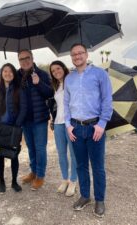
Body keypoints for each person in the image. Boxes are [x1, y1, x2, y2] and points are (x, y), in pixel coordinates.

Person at [64, 43, 113, 217]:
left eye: (80, 53)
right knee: (81, 165)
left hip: (95, 128)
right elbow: (66, 103)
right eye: (73, 54)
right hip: (76, 128)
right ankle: (85, 196)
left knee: (98, 166)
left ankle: (100, 199)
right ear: (71, 57)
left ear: (86, 54)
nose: (77, 56)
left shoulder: (100, 74)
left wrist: (102, 124)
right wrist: (68, 125)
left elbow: (107, 101)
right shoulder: (68, 78)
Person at [17, 49, 54, 190]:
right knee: (31, 148)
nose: (25, 60)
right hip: (25, 120)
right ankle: (33, 171)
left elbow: (50, 93)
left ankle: (40, 175)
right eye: (22, 59)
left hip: (39, 119)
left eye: (27, 57)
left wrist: (38, 83)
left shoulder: (42, 74)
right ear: (19, 61)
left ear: (32, 58)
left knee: (40, 148)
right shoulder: (17, 76)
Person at [0, 63, 27, 194]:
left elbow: (23, 109)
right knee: (0, 156)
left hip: (13, 129)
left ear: (14, 74)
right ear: (2, 74)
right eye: (5, 71)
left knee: (14, 156)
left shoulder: (19, 89)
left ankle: (14, 182)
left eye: (10, 71)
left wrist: (17, 124)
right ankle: (1, 182)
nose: (8, 74)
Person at [48, 60, 77, 197]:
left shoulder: (72, 81)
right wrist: (53, 119)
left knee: (73, 154)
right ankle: (65, 179)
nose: (56, 72)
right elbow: (56, 106)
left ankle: (73, 181)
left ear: (63, 68)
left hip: (71, 123)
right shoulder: (56, 85)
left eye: (58, 68)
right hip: (58, 123)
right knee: (61, 154)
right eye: (53, 71)